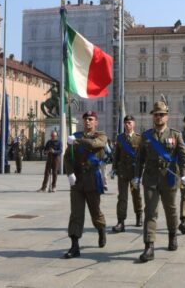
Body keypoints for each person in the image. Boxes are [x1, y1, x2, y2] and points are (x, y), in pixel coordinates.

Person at [135, 101, 185, 262]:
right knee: (150, 212)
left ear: (167, 117)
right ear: (153, 116)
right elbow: (139, 159)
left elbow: (184, 156)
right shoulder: (146, 136)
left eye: (162, 114)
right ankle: (149, 246)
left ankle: (172, 234)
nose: (159, 117)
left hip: (169, 177)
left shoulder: (175, 135)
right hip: (150, 178)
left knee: (171, 210)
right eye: (156, 114)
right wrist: (136, 176)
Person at [63, 111, 108, 259]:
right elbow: (67, 158)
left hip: (93, 178)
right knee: (76, 213)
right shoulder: (75, 137)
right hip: (77, 180)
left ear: (96, 122)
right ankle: (74, 246)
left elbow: (95, 145)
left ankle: (101, 229)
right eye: (85, 119)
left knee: (95, 212)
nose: (87, 122)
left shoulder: (101, 136)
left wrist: (77, 140)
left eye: (91, 119)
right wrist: (69, 173)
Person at [112, 115, 143, 232]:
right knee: (122, 197)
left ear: (134, 124)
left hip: (134, 172)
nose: (127, 125)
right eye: (126, 123)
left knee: (136, 195)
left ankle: (139, 215)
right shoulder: (120, 138)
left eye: (129, 123)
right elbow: (116, 155)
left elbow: (141, 158)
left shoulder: (139, 139)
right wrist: (114, 168)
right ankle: (121, 221)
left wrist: (139, 173)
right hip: (123, 172)